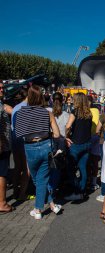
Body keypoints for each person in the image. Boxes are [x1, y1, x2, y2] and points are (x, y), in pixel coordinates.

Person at [14, 85, 62, 219]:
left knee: (37, 179)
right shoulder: (47, 112)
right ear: (41, 97)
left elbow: (19, 133)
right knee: (40, 179)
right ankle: (51, 204)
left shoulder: (20, 113)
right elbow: (57, 134)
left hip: (30, 147)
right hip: (46, 145)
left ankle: (38, 209)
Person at [65, 93, 92, 201]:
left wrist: (66, 136)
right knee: (83, 168)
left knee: (70, 169)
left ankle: (77, 190)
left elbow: (67, 126)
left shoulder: (74, 112)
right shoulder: (89, 113)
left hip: (76, 144)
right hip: (87, 143)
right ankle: (82, 190)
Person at [11, 87, 29, 200]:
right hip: (23, 140)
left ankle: (14, 191)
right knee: (26, 169)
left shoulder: (16, 107)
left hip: (15, 139)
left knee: (17, 167)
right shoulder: (26, 108)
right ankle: (22, 194)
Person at [0, 81, 13, 213]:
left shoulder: (2, 104)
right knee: (2, 174)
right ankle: (2, 203)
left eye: (3, 88)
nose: (2, 90)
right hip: (2, 146)